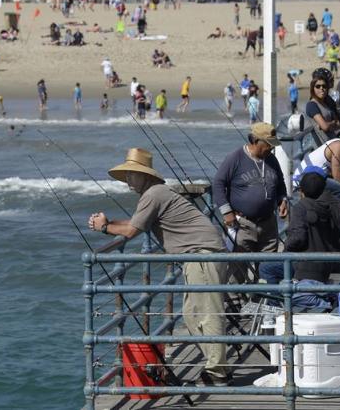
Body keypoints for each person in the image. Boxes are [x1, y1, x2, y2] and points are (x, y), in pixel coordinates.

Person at [88, 148, 233, 386]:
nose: (128, 180)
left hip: (203, 255)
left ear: (145, 175)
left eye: (132, 175)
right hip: (198, 256)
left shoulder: (153, 194)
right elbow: (137, 223)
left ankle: (218, 372)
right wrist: (110, 222)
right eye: (126, 176)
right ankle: (216, 364)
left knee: (207, 314)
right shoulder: (156, 193)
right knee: (190, 315)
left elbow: (132, 231)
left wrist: (104, 228)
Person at [259, 168, 340, 308]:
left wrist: (287, 247)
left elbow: (299, 238)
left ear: (302, 191)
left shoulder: (301, 207)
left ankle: (274, 306)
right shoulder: (332, 205)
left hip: (306, 266)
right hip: (327, 262)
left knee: (266, 268)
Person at [213, 122, 288, 258]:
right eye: (268, 143)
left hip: (269, 224)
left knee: (268, 268)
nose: (271, 147)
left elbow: (280, 183)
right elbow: (218, 184)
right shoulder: (235, 158)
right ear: (254, 140)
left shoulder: (272, 160)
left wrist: (282, 199)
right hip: (242, 225)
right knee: (239, 268)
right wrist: (227, 212)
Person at [307, 72, 340, 136]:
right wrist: (332, 123)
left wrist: (329, 123)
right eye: (318, 86)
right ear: (312, 89)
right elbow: (325, 127)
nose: (321, 88)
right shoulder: (311, 105)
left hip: (333, 138)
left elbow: (338, 124)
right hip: (322, 143)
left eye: (324, 86)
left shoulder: (327, 102)